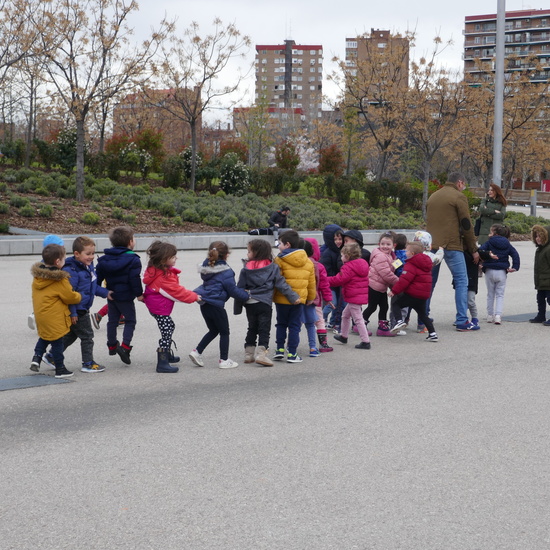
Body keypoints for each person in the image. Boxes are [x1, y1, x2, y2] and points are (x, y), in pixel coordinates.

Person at [426, 171, 480, 332]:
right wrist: (473, 248)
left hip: (433, 245)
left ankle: (424, 318)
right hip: (452, 244)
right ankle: (462, 320)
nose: (463, 188)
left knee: (430, 282)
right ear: (460, 182)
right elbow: (466, 224)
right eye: (463, 185)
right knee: (462, 281)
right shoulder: (458, 197)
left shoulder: (433, 196)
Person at [236, 239, 300, 367]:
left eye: (249, 251)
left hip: (250, 302)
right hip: (265, 303)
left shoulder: (245, 269)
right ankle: (262, 355)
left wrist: (238, 305)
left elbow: (240, 287)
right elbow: (281, 283)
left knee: (252, 328)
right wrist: (293, 297)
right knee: (264, 329)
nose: (247, 254)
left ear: (256, 253)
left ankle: (249, 354)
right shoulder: (272, 267)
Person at [143, 241, 201, 373]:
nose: (176, 258)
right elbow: (177, 291)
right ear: (164, 259)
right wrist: (194, 297)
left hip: (156, 305)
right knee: (167, 330)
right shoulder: (164, 276)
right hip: (160, 307)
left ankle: (167, 355)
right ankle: (162, 362)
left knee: (169, 326)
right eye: (173, 257)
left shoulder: (156, 270)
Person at [190, 241, 250, 369]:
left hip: (205, 303)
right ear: (226, 255)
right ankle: (224, 360)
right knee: (224, 332)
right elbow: (232, 290)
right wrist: (247, 295)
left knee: (213, 330)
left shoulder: (207, 268)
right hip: (216, 304)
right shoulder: (226, 272)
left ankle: (197, 352)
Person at [61, 236, 112, 373]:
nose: (91, 257)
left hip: (82, 308)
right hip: (78, 309)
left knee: (72, 335)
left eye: (93, 253)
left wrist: (106, 293)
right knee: (88, 336)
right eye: (88, 254)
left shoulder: (88, 267)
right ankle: (88, 363)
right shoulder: (72, 270)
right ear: (77, 254)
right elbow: (70, 294)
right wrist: (73, 312)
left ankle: (53, 355)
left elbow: (92, 287)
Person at [30, 244, 81, 378]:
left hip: (41, 315)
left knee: (45, 336)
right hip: (55, 317)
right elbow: (69, 297)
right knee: (57, 342)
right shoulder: (59, 279)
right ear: (57, 262)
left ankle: (36, 357)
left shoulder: (37, 277)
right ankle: (60, 368)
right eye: (64, 259)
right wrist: (79, 296)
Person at [96, 226, 143, 365]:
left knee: (112, 321)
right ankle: (125, 347)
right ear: (130, 242)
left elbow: (96, 281)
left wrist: (104, 292)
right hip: (126, 297)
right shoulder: (133, 259)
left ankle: (111, 346)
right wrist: (139, 294)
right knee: (130, 321)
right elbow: (135, 280)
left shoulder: (104, 260)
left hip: (111, 295)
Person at [273, 230, 316, 363]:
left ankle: (280, 349)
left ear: (287, 245)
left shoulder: (279, 260)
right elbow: (311, 283)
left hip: (281, 299)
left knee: (281, 324)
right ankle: (292, 353)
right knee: (294, 326)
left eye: (279, 243)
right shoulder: (308, 262)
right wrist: (310, 298)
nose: (278, 246)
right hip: (299, 300)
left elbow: (276, 280)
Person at [389, 241, 439, 342]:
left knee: (395, 303)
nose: (405, 252)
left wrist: (394, 291)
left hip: (412, 293)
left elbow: (404, 280)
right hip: (423, 295)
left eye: (406, 251)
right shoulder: (426, 263)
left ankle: (399, 321)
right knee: (423, 314)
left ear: (412, 253)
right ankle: (433, 333)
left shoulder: (411, 264)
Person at [328, 243, 371, 350]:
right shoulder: (362, 264)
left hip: (353, 296)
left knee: (358, 319)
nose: (341, 258)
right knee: (345, 315)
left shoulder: (348, 267)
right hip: (358, 295)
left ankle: (365, 341)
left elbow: (339, 279)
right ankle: (344, 335)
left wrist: (325, 280)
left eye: (342, 256)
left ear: (347, 256)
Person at [478, 224, 520, 324]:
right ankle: (498, 315)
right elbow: (515, 254)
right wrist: (515, 267)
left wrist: (482, 262)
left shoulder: (489, 242)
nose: (489, 234)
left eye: (491, 232)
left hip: (489, 270)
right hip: (502, 271)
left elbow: (480, 250)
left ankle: (489, 315)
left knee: (490, 294)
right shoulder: (507, 244)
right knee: (500, 294)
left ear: (495, 233)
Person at [362, 232, 399, 337]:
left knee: (384, 306)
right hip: (374, 285)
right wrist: (399, 282)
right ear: (379, 244)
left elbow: (393, 267)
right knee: (372, 307)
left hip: (381, 286)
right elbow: (386, 274)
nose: (385, 246)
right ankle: (360, 323)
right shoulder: (380, 256)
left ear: (393, 245)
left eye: (388, 244)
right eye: (383, 244)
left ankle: (382, 327)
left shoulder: (391, 255)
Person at [28, 234, 65, 332]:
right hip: (51, 290)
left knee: (42, 303)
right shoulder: (55, 264)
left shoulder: (43, 262)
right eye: (61, 247)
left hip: (41, 291)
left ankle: (34, 314)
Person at [304, 237, 334, 353]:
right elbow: (324, 285)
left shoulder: (297, 264)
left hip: (299, 298)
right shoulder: (319, 266)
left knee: (296, 322)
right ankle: (323, 344)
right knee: (319, 321)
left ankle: (290, 343)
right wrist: (328, 298)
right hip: (315, 299)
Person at [320, 224, 344, 330]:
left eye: (340, 239)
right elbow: (325, 270)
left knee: (339, 304)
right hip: (330, 282)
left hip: (339, 282)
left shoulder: (342, 251)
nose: (338, 241)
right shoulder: (327, 253)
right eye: (335, 239)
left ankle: (333, 322)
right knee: (332, 303)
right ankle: (320, 317)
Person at [530, 224, 550, 324]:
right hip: (541, 280)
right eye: (536, 236)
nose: (537, 239)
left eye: (539, 236)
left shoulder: (548, 249)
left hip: (548, 281)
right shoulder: (540, 249)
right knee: (540, 299)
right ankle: (541, 315)